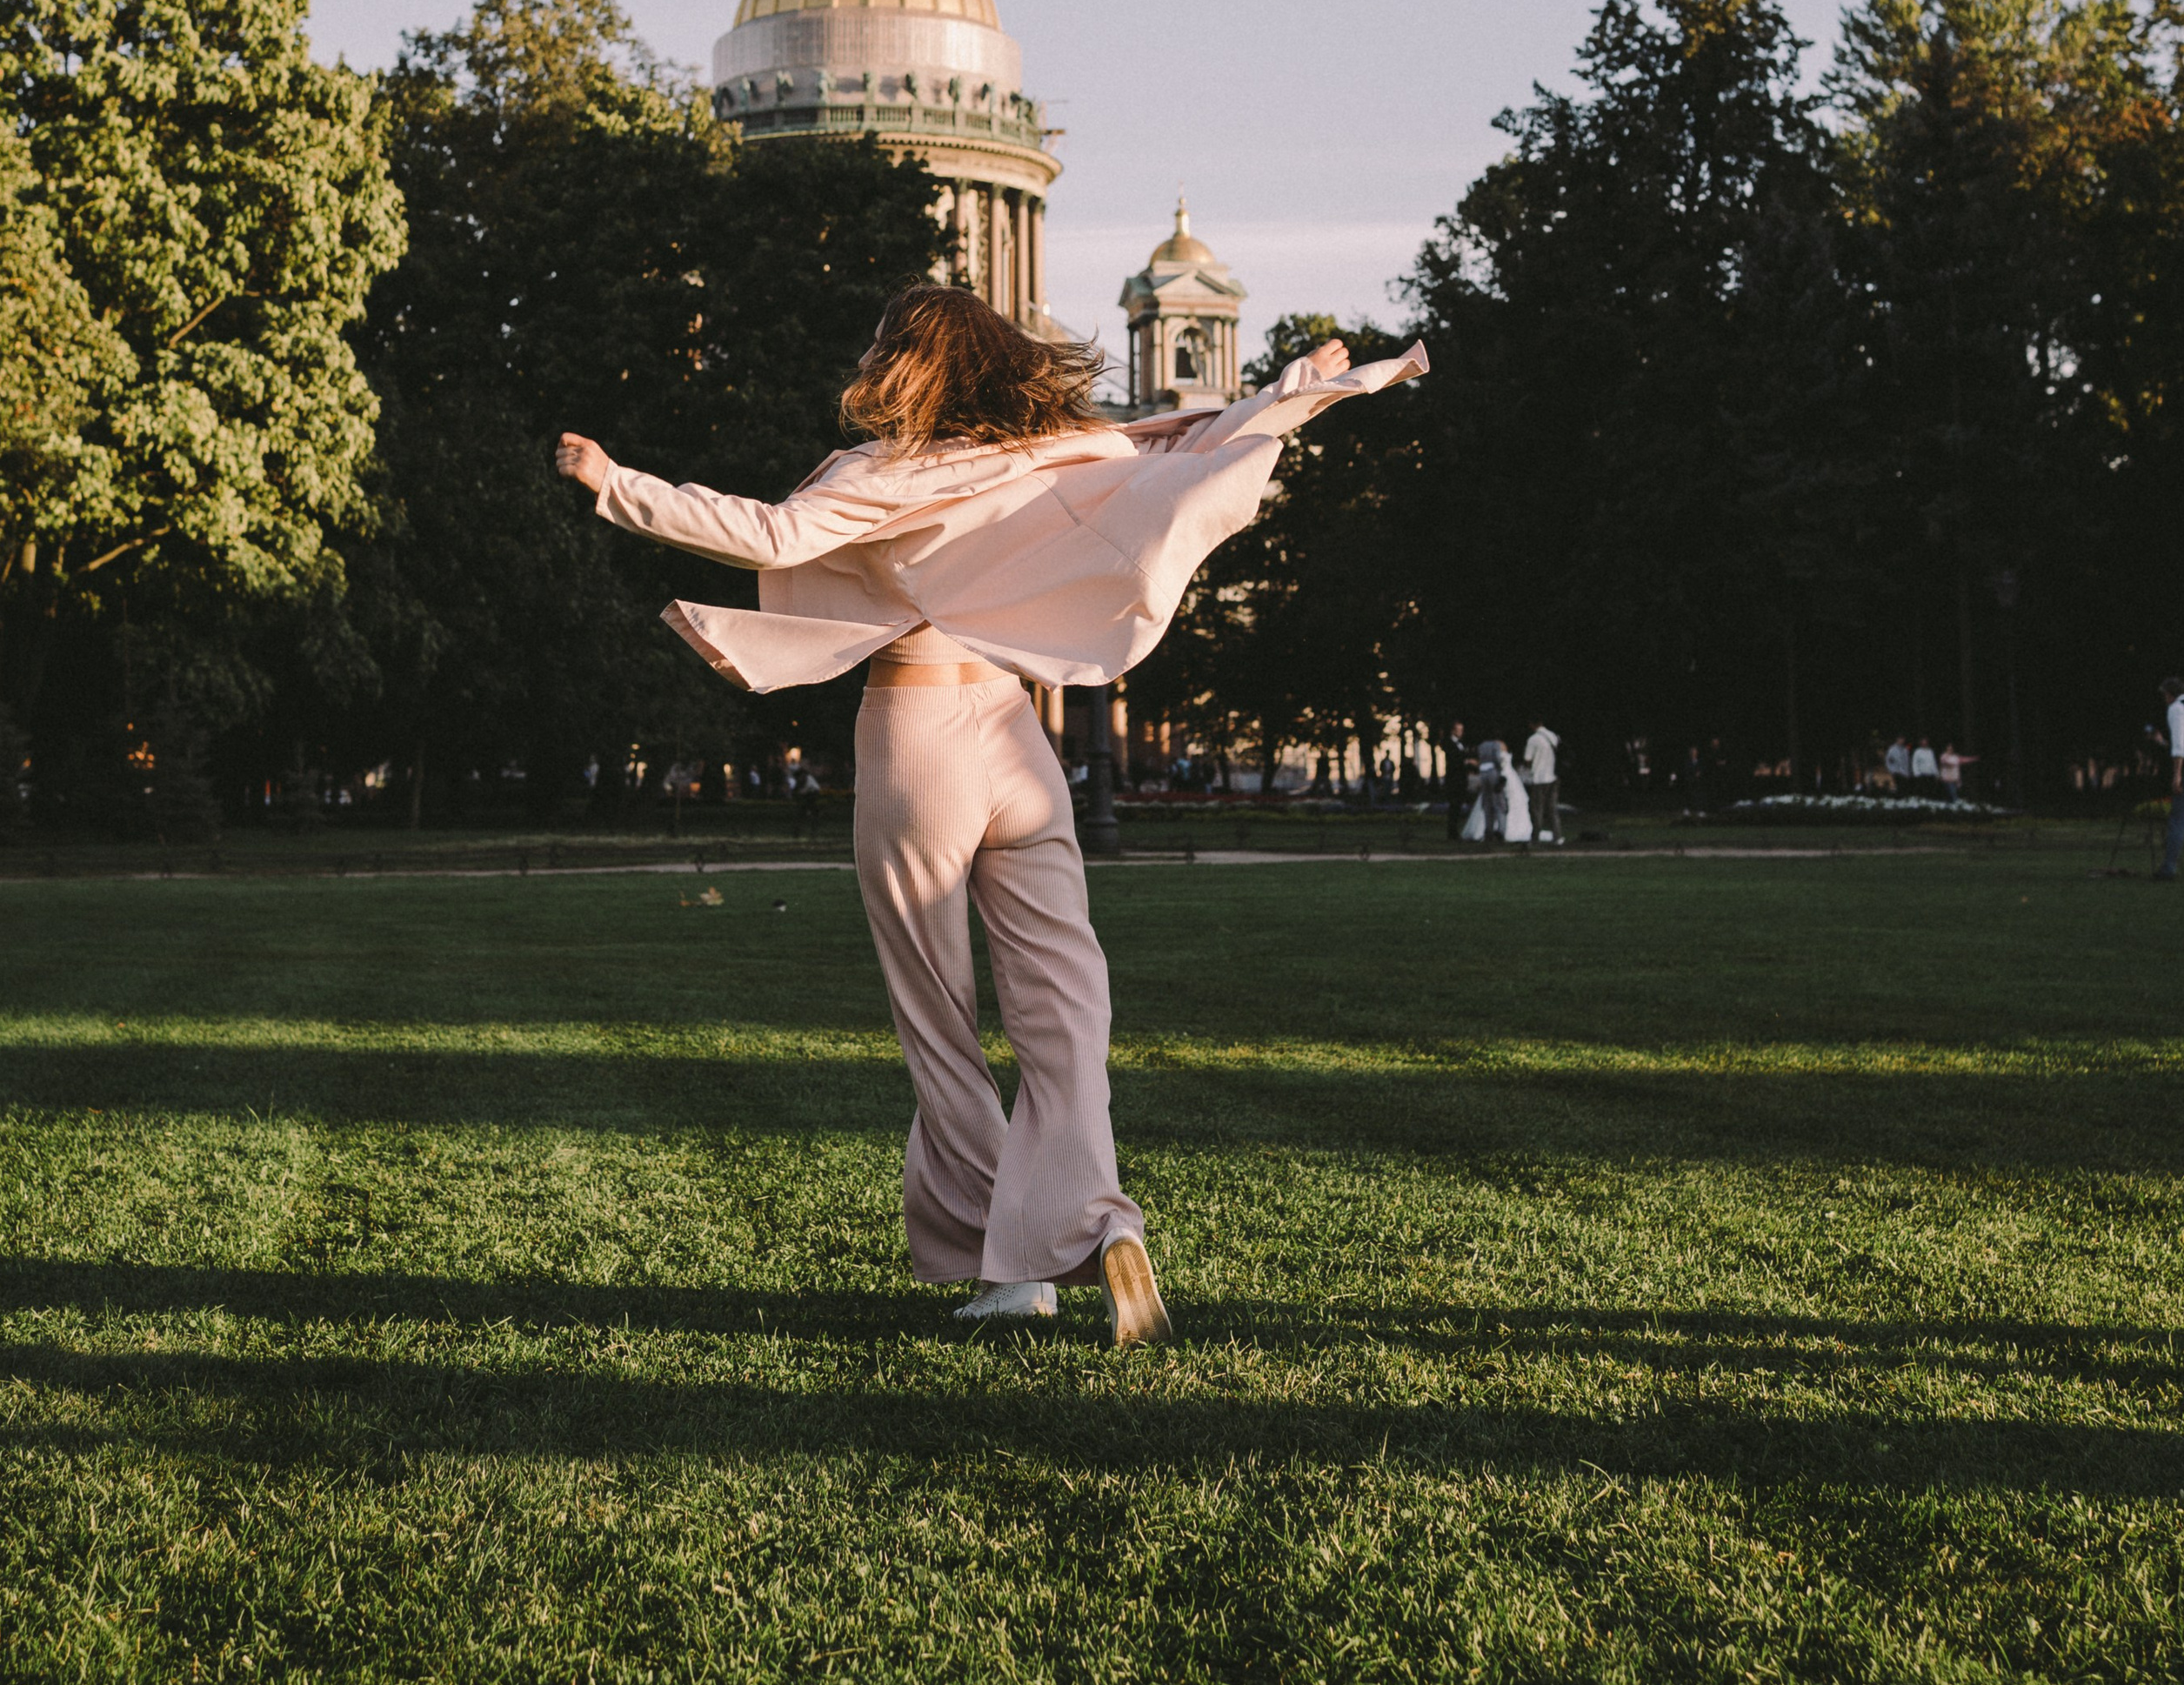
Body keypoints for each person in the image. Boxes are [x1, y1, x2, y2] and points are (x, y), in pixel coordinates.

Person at [558, 282, 1424, 1343]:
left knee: (938, 1016)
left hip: (919, 738)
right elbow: (1190, 444)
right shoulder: (1056, 455)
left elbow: (771, 537)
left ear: (902, 363)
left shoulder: (881, 470)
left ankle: (1006, 1268)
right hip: (1018, 744)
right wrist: (1303, 391)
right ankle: (1095, 1215)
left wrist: (616, 484)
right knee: (1066, 1004)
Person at [2157, 678, 2184, 882]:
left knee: (2177, 820)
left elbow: (2180, 745)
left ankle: (2169, 867)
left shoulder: (2176, 708)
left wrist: (2177, 775)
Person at [1523, 722, 1560, 842]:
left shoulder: (1533, 739)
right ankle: (1557, 836)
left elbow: (1527, 759)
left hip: (1539, 777)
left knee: (1537, 809)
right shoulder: (1552, 736)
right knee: (1552, 808)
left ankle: (1536, 836)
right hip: (1553, 776)